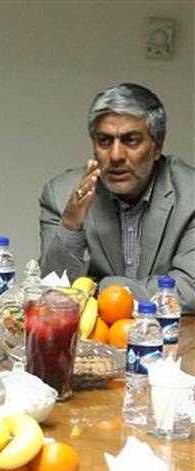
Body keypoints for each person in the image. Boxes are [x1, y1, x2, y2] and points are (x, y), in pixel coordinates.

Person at [39, 82, 194, 312]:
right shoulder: (60, 195)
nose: (116, 155)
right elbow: (52, 293)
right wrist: (71, 225)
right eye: (104, 140)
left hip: (168, 331)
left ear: (157, 146)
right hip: (94, 334)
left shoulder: (190, 195)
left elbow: (189, 291)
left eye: (131, 140)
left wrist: (103, 288)